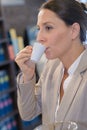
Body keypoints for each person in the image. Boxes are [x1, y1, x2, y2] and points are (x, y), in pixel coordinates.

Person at [15, 0, 87, 129]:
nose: (39, 38)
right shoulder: (51, 67)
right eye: (39, 29)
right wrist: (27, 75)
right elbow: (28, 113)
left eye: (48, 28)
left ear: (74, 30)